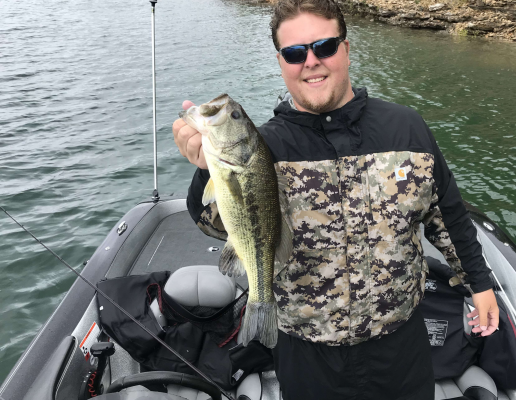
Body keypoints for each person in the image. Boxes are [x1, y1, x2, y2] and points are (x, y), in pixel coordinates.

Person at [172, 0, 499, 398]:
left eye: (324, 47)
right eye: (295, 53)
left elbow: (447, 215)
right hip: (307, 355)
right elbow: (213, 222)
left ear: (345, 49)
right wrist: (206, 169)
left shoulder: (407, 128)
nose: (311, 62)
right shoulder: (263, 148)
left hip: (401, 346)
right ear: (281, 62)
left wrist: (480, 284)